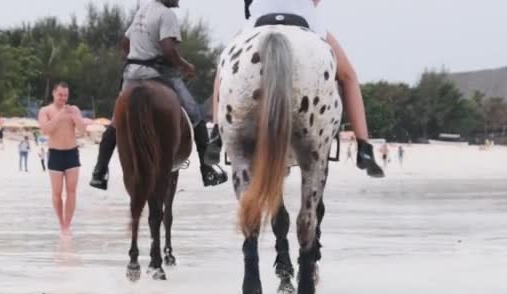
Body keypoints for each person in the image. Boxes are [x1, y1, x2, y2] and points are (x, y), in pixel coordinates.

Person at [205, 0, 384, 178]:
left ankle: (217, 134)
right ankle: (363, 148)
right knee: (348, 77)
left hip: (259, 15)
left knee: (223, 70)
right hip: (302, 15)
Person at [88, 0, 227, 190]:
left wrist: (135, 58)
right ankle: (208, 171)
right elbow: (169, 50)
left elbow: (125, 43)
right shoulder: (166, 14)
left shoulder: (142, 10)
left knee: (116, 122)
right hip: (157, 73)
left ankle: (99, 171)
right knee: (195, 114)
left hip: (131, 74)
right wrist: (186, 67)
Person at [38, 82, 86, 235]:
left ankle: (67, 225)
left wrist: (74, 116)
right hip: (55, 154)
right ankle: (61, 223)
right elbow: (45, 130)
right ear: (53, 93)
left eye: (65, 95)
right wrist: (60, 115)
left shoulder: (74, 109)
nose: (63, 98)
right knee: (57, 193)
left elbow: (83, 130)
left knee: (71, 191)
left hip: (71, 153)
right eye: (60, 95)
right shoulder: (45, 110)